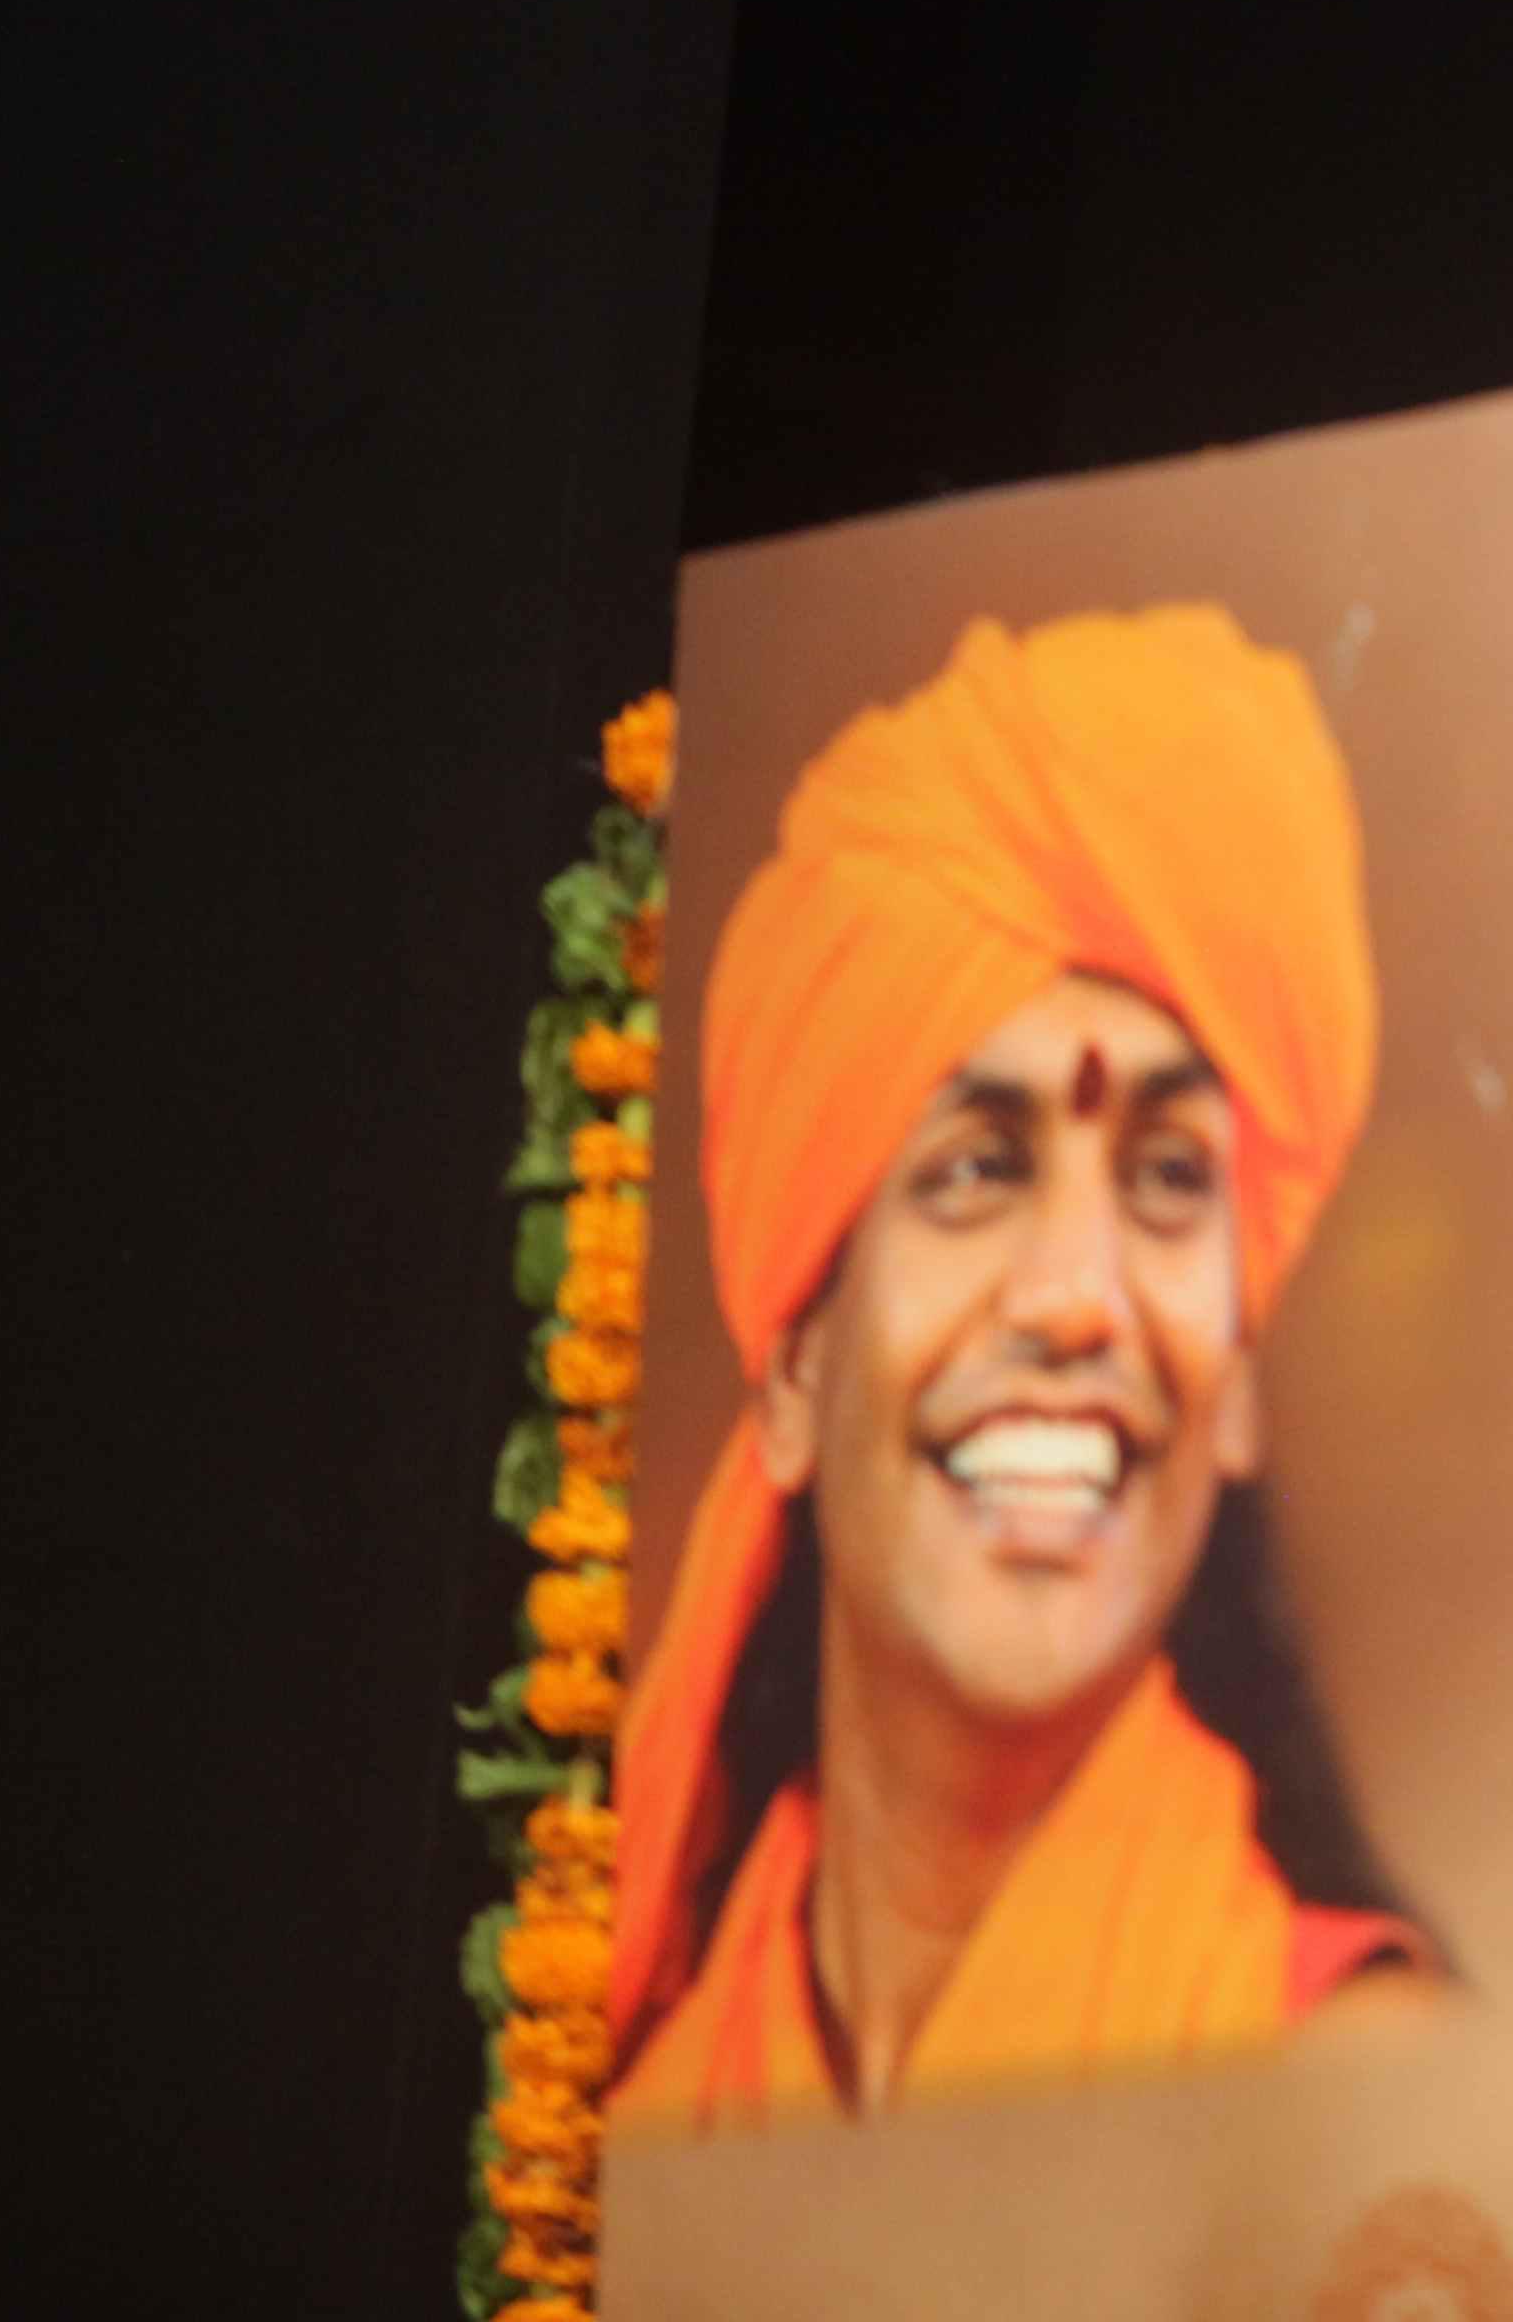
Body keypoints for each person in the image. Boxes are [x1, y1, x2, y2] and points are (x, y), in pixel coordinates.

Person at [606, 603, 1437, 2131]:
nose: (1074, 1300)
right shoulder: (645, 2130)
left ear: (1238, 1384)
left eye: (1170, 1176)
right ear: (791, 1376)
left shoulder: (1367, 2088)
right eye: (977, 1168)